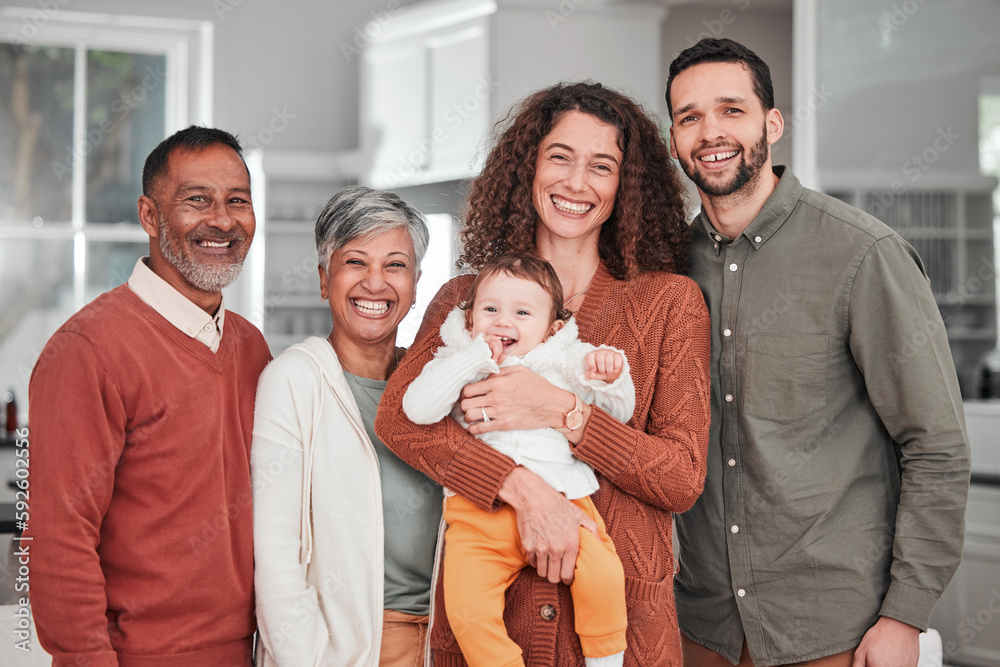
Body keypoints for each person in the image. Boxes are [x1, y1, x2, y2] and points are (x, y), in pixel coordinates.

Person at [376, 81, 711, 667]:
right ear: (526, 168)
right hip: (492, 625)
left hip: (621, 632)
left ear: (625, 188)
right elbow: (401, 422)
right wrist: (525, 491)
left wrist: (562, 412)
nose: (576, 183)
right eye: (560, 157)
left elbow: (681, 476)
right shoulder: (465, 298)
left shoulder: (669, 304)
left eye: (601, 166)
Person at [666, 38, 971, 667]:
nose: (709, 132)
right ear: (673, 138)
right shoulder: (665, 268)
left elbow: (935, 445)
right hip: (700, 627)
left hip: (835, 631)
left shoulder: (861, 254)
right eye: (688, 116)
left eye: (731, 110)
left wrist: (904, 616)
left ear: (771, 124)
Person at [26, 126, 271, 666]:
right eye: (196, 200)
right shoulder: (87, 350)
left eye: (238, 201)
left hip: (249, 653)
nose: (223, 221)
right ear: (149, 216)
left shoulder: (252, 347)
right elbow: (57, 540)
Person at [403, 253, 634, 667]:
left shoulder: (564, 361)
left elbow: (619, 414)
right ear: (470, 319)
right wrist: (472, 358)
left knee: (603, 577)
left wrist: (614, 377)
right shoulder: (459, 362)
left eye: (522, 312)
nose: (503, 322)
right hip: (477, 515)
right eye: (490, 309)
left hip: (566, 504)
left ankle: (606, 660)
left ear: (552, 329)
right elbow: (415, 410)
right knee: (467, 612)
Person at [251, 185, 440, 667]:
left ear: (416, 284)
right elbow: (275, 557)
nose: (375, 283)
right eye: (356, 262)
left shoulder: (436, 386)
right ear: (323, 278)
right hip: (352, 646)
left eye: (395, 265)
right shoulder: (295, 380)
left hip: (452, 639)